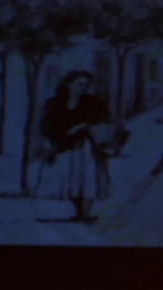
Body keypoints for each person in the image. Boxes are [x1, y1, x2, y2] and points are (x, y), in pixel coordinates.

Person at [36, 71, 111, 222]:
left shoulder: (94, 103)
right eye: (80, 84)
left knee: (88, 180)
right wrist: (63, 134)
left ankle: (85, 215)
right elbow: (47, 126)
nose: (84, 87)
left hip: (87, 147)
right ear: (69, 84)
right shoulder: (55, 103)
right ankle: (79, 213)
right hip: (66, 147)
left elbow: (105, 120)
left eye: (86, 84)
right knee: (71, 182)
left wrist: (86, 126)